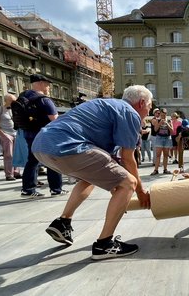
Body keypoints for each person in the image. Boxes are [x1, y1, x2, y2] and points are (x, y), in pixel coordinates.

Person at [34, 85, 152, 260]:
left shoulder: (105, 105)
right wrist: (140, 192)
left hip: (41, 147)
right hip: (68, 147)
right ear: (142, 102)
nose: (149, 109)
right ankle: (104, 244)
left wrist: (115, 189)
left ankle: (63, 222)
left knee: (89, 178)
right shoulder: (130, 113)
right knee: (129, 183)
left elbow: (109, 163)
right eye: (150, 105)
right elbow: (128, 158)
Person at [19, 74, 64, 197]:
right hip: (45, 135)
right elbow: (55, 120)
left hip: (28, 133)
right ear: (40, 83)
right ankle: (56, 189)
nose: (48, 86)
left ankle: (28, 189)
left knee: (32, 161)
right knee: (53, 160)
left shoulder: (23, 97)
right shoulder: (43, 99)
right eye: (47, 84)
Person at [0, 94, 21, 180]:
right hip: (6, 133)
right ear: (6, 100)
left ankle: (16, 172)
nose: (14, 102)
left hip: (16, 133)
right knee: (9, 155)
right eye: (11, 100)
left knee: (17, 154)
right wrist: (2, 134)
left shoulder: (15, 109)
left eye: (15, 100)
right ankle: (9, 174)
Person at [151, 108, 173, 175]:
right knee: (158, 155)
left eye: (164, 115)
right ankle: (156, 170)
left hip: (167, 138)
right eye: (161, 115)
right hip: (159, 138)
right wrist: (160, 123)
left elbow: (172, 131)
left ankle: (165, 169)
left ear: (166, 114)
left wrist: (167, 124)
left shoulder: (169, 120)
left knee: (166, 155)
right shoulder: (158, 120)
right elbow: (155, 129)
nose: (163, 116)